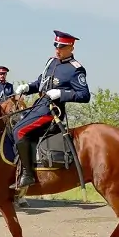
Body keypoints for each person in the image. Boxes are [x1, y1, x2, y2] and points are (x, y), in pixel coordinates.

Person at [12, 30, 91, 189]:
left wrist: (61, 93)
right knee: (12, 123)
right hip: (38, 107)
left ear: (71, 48)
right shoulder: (51, 62)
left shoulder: (75, 69)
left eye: (62, 47)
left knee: (19, 132)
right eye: (56, 46)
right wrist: (28, 87)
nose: (57, 50)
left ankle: (27, 175)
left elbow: (84, 95)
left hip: (52, 111)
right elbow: (41, 82)